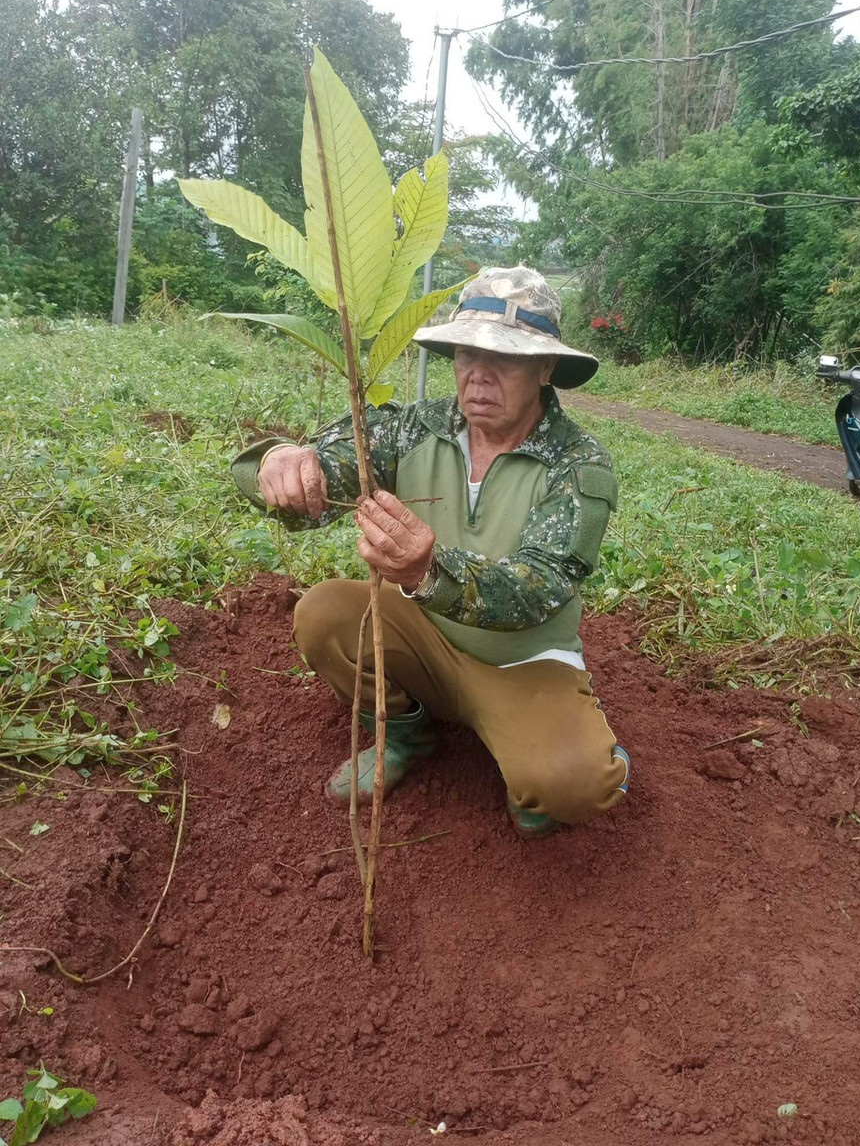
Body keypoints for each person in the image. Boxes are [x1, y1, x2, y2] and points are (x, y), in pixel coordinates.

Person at [231, 267, 629, 838]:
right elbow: (331, 466)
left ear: (545, 369)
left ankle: (550, 753)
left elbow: (539, 587)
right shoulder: (414, 429)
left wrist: (428, 569)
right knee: (324, 613)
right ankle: (404, 734)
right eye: (467, 353)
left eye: (507, 358)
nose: (480, 375)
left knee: (576, 786)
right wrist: (280, 462)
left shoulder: (578, 464)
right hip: (422, 637)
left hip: (523, 662)